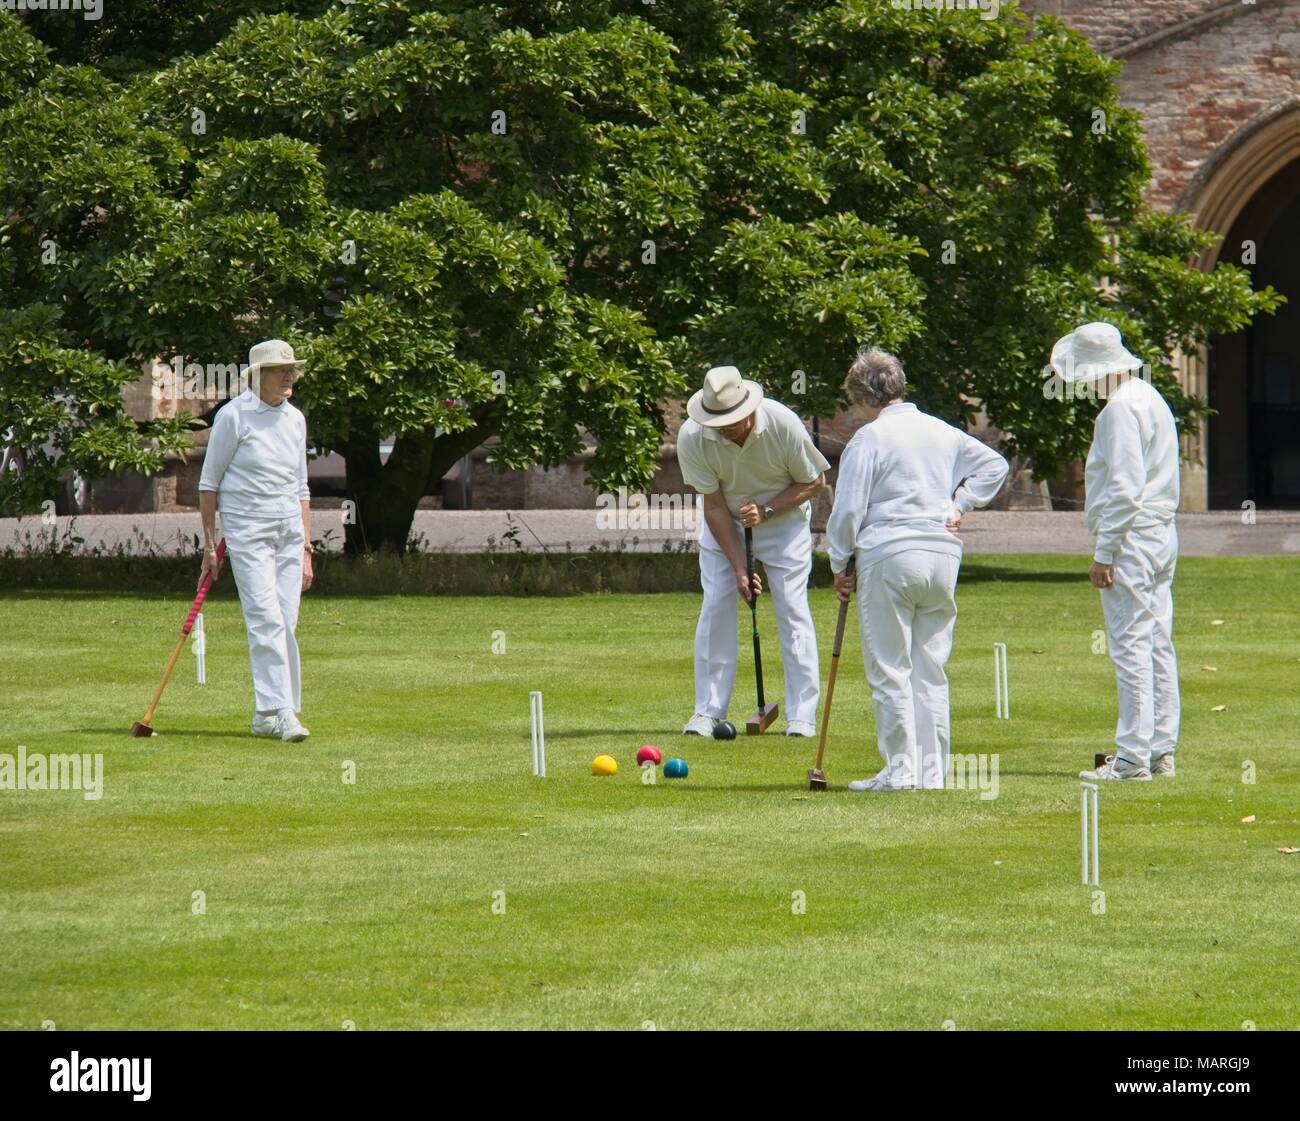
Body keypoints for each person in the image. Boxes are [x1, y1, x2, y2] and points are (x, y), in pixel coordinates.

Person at [827, 347, 1008, 791]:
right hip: (941, 555)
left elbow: (848, 511)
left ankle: (900, 772)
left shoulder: (868, 439)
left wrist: (837, 562)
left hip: (890, 555)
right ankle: (932, 772)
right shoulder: (941, 431)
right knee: (930, 666)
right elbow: (994, 464)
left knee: (891, 666)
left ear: (862, 396)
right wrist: (958, 503)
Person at [677, 365, 831, 737]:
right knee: (716, 604)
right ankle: (708, 710)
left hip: (783, 521)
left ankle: (802, 715)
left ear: (748, 408)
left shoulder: (783, 424)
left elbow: (815, 482)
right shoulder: (693, 437)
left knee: (792, 608)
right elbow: (713, 506)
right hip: (726, 526)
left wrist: (767, 511)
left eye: (730, 420)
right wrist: (740, 569)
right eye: (717, 421)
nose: (723, 427)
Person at [1058, 323, 1180, 782]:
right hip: (1160, 533)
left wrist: (1105, 551)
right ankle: (1160, 750)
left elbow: (1126, 488)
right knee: (1156, 641)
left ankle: (1131, 758)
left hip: (1133, 537)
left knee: (1131, 644)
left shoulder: (1119, 409)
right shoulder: (1151, 397)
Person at [198, 339, 314, 742]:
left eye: (292, 370)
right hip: (247, 532)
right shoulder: (234, 417)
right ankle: (285, 713)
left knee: (286, 622)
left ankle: (266, 713)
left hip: (288, 533)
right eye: (281, 370)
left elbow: (301, 487)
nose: (289, 376)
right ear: (258, 376)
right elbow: (208, 484)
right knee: (266, 620)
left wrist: (306, 549)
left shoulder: (295, 419)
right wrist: (209, 545)